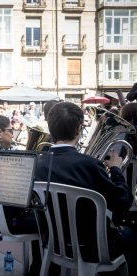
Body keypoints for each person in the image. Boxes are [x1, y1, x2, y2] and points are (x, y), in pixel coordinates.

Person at [35, 102, 135, 274]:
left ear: (50, 128)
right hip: (93, 247)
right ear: (79, 129)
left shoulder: (38, 162)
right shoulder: (89, 165)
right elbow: (122, 203)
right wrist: (117, 169)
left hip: (55, 243)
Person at [0, 114, 41, 275]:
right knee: (47, 220)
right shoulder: (6, 159)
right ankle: (39, 268)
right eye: (10, 130)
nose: (13, 134)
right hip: (9, 221)